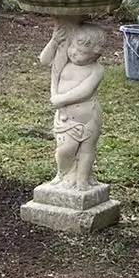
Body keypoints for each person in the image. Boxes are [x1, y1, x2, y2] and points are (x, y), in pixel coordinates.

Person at [41, 24, 104, 189]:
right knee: (64, 150)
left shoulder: (96, 69)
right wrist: (54, 42)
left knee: (86, 150)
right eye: (73, 47)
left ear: (94, 55)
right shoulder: (64, 61)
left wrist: (62, 99)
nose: (75, 53)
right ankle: (65, 174)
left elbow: (85, 91)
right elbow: (44, 60)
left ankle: (82, 179)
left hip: (89, 118)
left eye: (82, 52)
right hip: (65, 119)